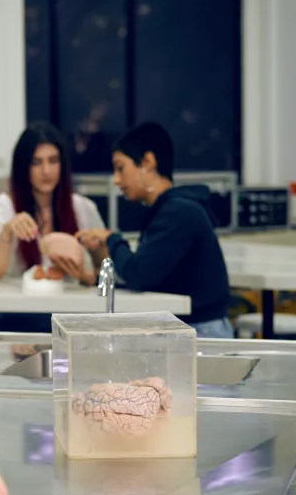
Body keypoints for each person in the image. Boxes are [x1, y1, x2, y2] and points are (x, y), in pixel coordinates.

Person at [75, 122, 232, 338]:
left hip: (202, 331)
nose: (116, 180)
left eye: (121, 168)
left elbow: (138, 274)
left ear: (148, 162)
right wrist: (97, 279)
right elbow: (153, 278)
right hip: (191, 327)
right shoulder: (169, 210)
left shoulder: (178, 212)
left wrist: (112, 239)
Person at [0, 122, 107, 332]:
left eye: (53, 161)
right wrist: (7, 231)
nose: (46, 171)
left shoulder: (82, 208)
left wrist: (85, 276)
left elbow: (105, 276)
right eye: (36, 162)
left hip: (73, 319)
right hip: (19, 317)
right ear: (23, 167)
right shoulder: (4, 206)